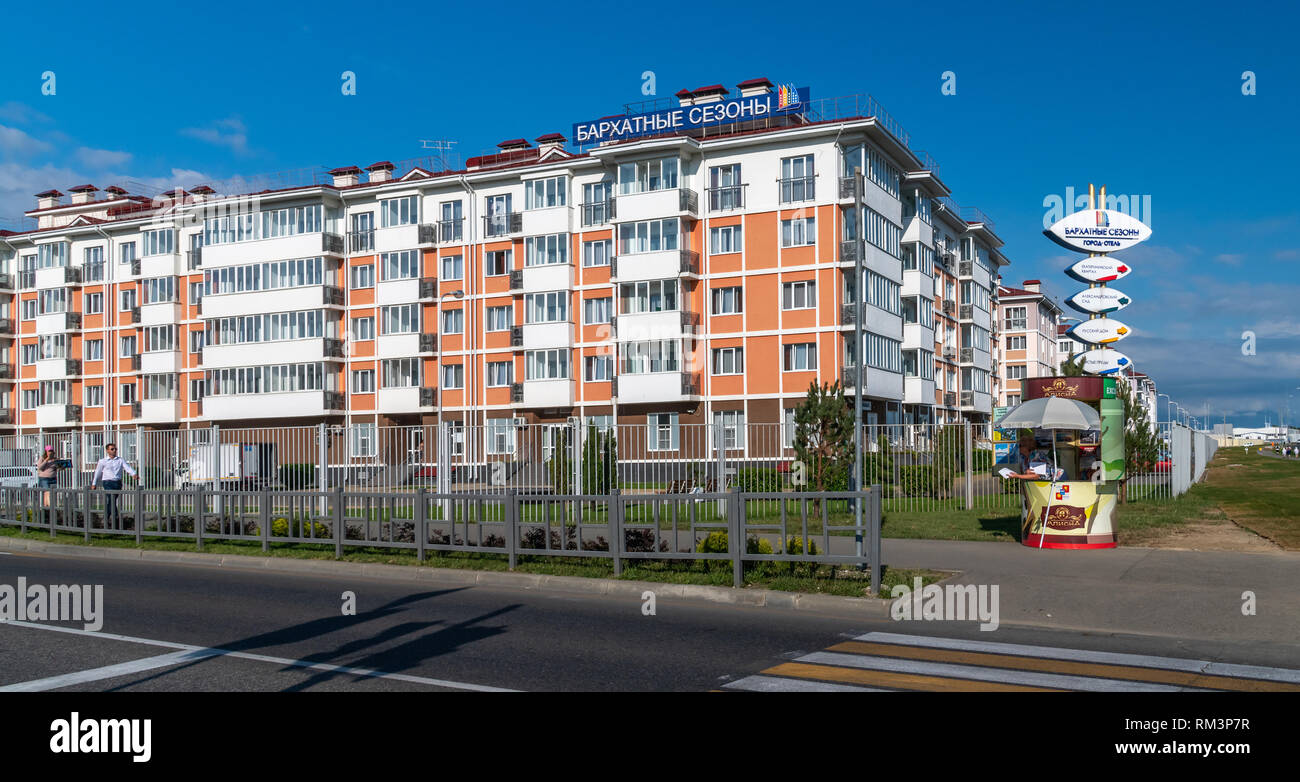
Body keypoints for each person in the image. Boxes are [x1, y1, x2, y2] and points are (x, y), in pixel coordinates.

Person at [90, 442, 137, 528]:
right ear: (107, 450)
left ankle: (107, 518)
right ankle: (115, 518)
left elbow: (127, 467)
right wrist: (94, 483)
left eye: (115, 449)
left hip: (117, 483)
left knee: (112, 501)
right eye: (112, 449)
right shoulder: (103, 461)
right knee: (111, 499)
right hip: (107, 482)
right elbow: (98, 472)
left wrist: (133, 474)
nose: (114, 450)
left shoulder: (120, 460)